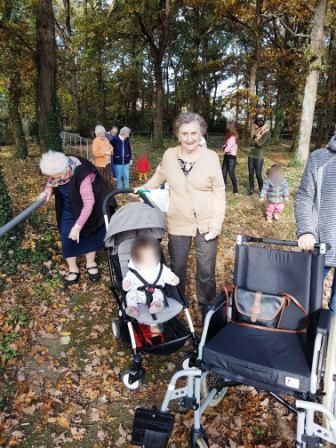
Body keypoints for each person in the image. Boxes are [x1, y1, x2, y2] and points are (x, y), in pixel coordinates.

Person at [140, 112, 226, 315]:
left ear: (201, 133)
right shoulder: (169, 155)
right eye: (184, 133)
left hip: (206, 223)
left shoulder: (211, 157)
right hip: (178, 222)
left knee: (206, 271)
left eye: (194, 133)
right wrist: (141, 190)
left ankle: (207, 309)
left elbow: (219, 192)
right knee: (177, 267)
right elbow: (158, 177)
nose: (189, 138)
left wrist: (216, 224)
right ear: (178, 134)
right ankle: (175, 304)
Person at [39, 151, 113, 286]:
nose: (58, 179)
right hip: (68, 206)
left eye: (60, 176)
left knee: (89, 232)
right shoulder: (58, 171)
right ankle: (73, 268)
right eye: (54, 177)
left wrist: (78, 226)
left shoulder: (82, 173)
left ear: (67, 167)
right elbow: (51, 181)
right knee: (67, 236)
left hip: (89, 206)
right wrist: (47, 189)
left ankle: (91, 263)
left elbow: (89, 203)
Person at [295, 135, 336, 312]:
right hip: (320, 245)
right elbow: (304, 196)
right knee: (304, 302)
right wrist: (306, 231)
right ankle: (306, 336)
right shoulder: (319, 158)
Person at [248, 114, 271, 195]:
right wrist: (254, 135)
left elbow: (259, 144)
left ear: (264, 121)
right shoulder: (255, 130)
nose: (259, 122)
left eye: (261, 120)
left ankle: (261, 190)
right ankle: (251, 188)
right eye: (258, 120)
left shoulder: (266, 132)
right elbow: (250, 142)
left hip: (259, 155)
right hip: (251, 154)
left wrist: (255, 137)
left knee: (258, 174)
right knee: (250, 173)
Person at [222, 122, 238, 193]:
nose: (226, 128)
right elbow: (224, 146)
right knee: (223, 172)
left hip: (231, 158)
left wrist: (224, 148)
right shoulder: (228, 136)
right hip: (226, 156)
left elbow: (226, 149)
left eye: (227, 127)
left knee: (231, 174)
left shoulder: (232, 137)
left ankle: (235, 190)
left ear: (230, 128)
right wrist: (224, 148)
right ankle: (223, 187)